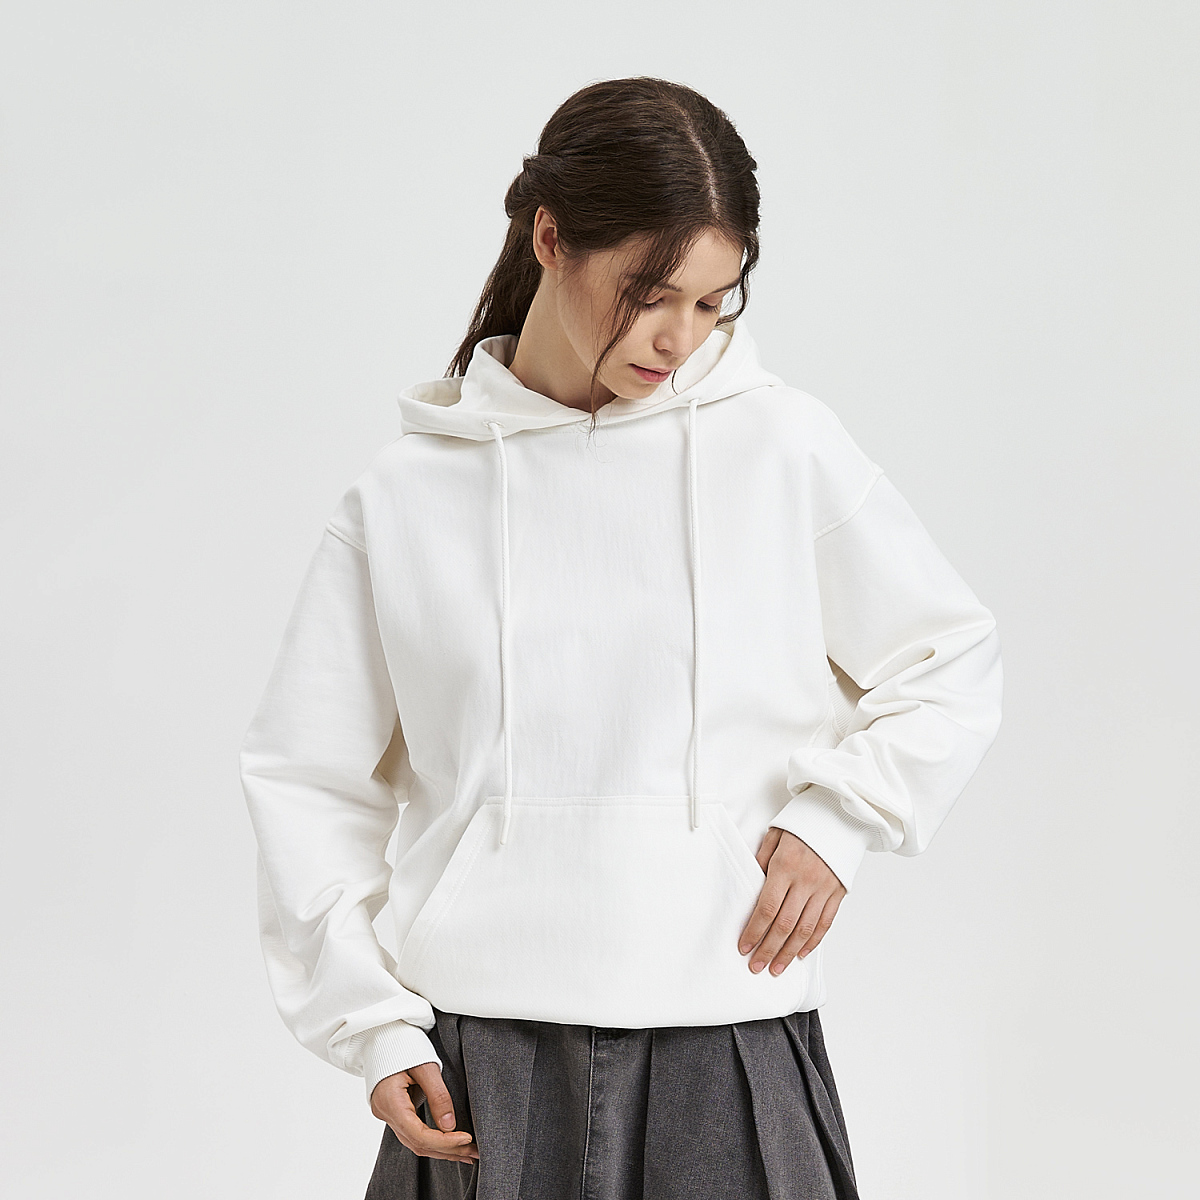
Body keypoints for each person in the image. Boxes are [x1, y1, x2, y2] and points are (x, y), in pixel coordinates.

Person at [240, 76, 1003, 1200]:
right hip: (480, 1062)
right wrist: (369, 1022)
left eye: (712, 303)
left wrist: (842, 819)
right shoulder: (407, 496)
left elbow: (949, 657)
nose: (677, 338)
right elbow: (307, 776)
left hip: (731, 1039)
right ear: (550, 238)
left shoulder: (782, 448)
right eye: (650, 294)